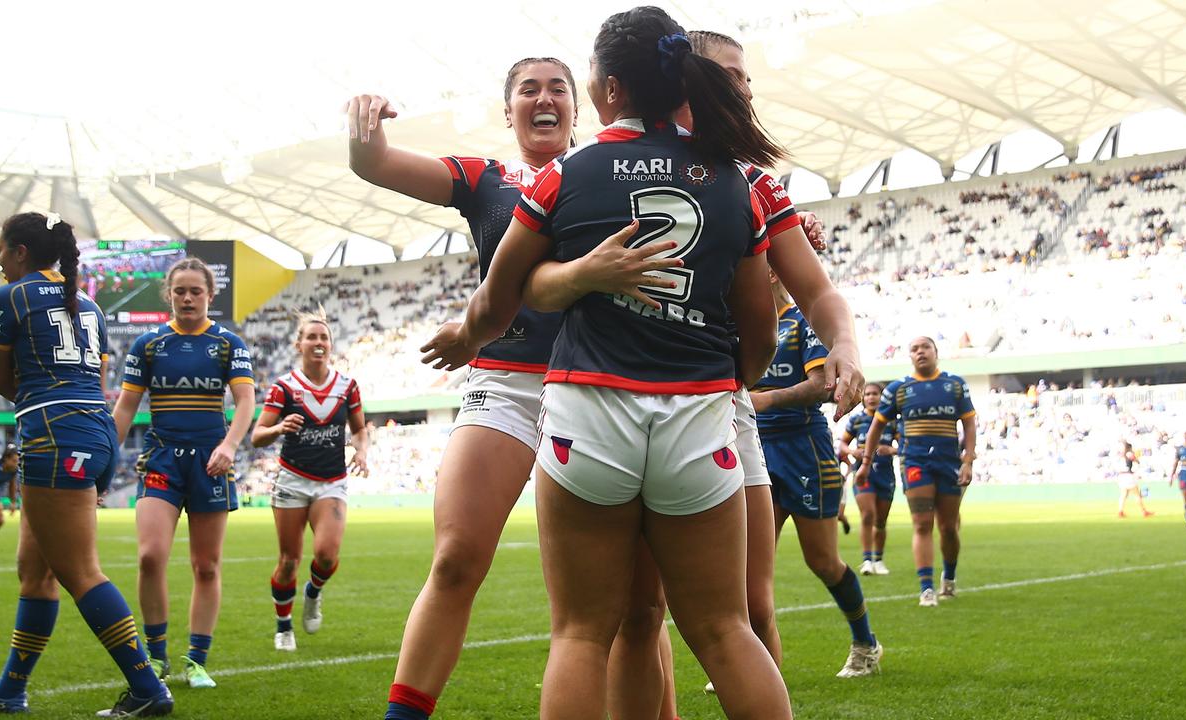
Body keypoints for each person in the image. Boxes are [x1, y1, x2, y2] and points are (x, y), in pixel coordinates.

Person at [421, 7, 793, 719]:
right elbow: (761, 332)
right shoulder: (733, 182)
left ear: (609, 87)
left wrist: (466, 340)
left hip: (588, 416)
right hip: (696, 415)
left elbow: (498, 302)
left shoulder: (565, 175)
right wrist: (732, 378)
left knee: (581, 635)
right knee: (723, 630)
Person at [345, 56, 581, 720]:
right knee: (454, 559)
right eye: (527, 90)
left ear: (577, 107)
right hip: (504, 384)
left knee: (619, 600)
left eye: (556, 88)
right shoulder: (485, 177)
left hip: (594, 388)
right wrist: (365, 132)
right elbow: (376, 164)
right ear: (508, 111)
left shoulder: (601, 174)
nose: (542, 98)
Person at [0, 212, 171, 716]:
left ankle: (148, 689)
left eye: (0, 250)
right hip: (91, 429)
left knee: (80, 572)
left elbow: (4, 381)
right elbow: (94, 374)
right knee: (35, 572)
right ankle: (10, 692)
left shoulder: (11, 296)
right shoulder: (89, 303)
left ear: (20, 252)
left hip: (54, 432)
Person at [111, 257, 256, 689]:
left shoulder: (230, 344)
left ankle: (196, 660)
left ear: (211, 296)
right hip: (161, 459)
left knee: (206, 566)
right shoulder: (148, 344)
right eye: (180, 291)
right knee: (149, 555)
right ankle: (156, 658)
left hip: (211, 462)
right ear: (169, 296)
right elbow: (125, 407)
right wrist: (104, 461)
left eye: (196, 291)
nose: (188, 298)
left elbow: (246, 402)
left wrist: (229, 445)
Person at [752, 271, 881, 676]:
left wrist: (766, 400)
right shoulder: (747, 324)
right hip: (754, 450)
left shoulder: (803, 322)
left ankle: (866, 643)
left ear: (771, 272)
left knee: (823, 562)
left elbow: (823, 385)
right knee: (751, 571)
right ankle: (756, 667)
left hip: (804, 449)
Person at [250, 308, 368, 650]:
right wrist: (278, 427)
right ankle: (283, 625)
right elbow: (257, 436)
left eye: (324, 338)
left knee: (327, 554)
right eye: (311, 337)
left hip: (332, 480)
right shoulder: (284, 388)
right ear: (298, 344)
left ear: (330, 345)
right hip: (293, 480)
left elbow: (360, 430)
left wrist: (361, 451)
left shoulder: (347, 387)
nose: (318, 343)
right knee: (288, 561)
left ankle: (313, 592)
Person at [856, 337, 976, 607]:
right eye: (914, 349)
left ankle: (950, 578)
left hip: (949, 463)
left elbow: (969, 423)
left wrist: (968, 460)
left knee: (948, 527)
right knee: (922, 523)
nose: (920, 352)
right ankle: (926, 588)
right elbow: (876, 427)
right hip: (915, 462)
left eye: (925, 347)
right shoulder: (899, 389)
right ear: (909, 356)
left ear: (936, 352)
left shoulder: (955, 385)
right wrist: (866, 462)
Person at [839, 383, 899, 575]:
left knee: (881, 520)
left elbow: (905, 444)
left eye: (875, 394)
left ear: (882, 397)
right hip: (863, 473)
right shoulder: (856, 420)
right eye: (868, 394)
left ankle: (878, 560)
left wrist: (892, 450)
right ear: (863, 398)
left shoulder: (891, 421)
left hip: (885, 473)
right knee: (867, 515)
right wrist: (852, 451)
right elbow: (842, 444)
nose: (871, 397)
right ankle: (866, 561)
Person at [1117, 440, 1154, 519]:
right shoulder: (1129, 453)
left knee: (1123, 495)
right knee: (1137, 494)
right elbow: (1136, 460)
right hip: (1128, 476)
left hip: (1121, 476)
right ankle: (1144, 511)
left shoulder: (1121, 455)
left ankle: (1120, 511)